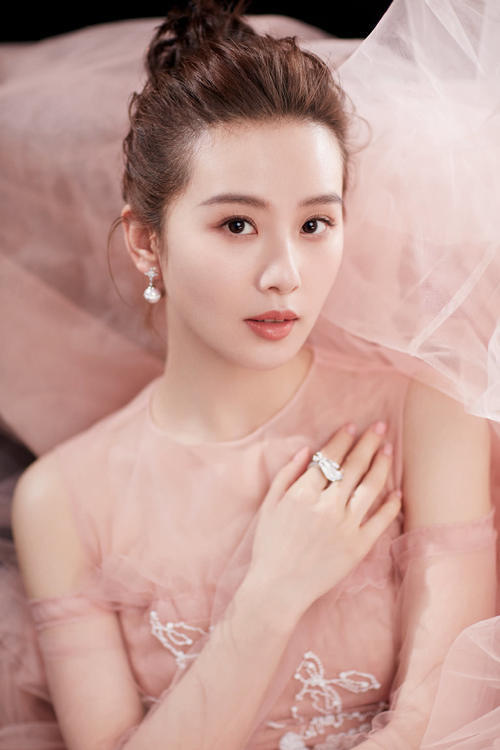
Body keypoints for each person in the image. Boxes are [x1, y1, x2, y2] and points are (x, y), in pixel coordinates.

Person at [0, 1, 499, 749]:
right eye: (238, 224)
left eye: (314, 224)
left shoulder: (425, 414)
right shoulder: (63, 501)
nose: (284, 274)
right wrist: (271, 594)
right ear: (145, 241)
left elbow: (446, 720)